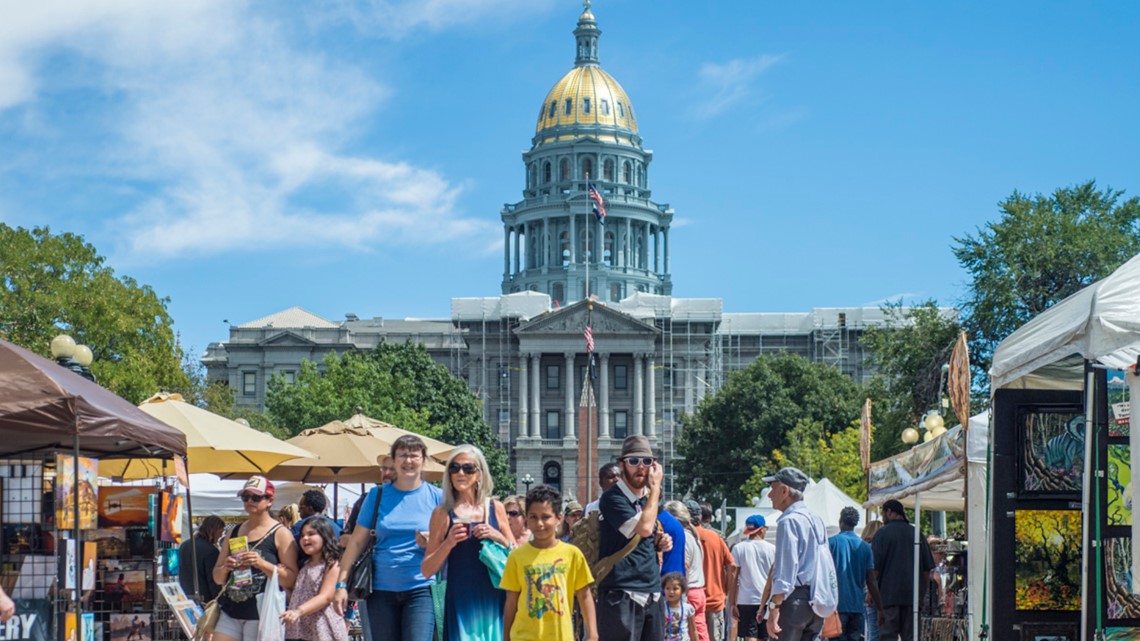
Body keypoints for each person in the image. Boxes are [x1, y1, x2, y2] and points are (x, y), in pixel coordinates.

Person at [336, 435, 443, 641]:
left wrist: (435, 541)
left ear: (423, 460)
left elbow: (450, 541)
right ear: (393, 461)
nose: (408, 461)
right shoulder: (376, 496)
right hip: (380, 589)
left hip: (421, 588)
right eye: (402, 455)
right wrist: (340, 585)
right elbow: (357, 542)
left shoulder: (437, 497)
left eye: (414, 455)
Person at [422, 444, 514, 641]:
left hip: (495, 597)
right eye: (454, 468)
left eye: (468, 468)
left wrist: (498, 536)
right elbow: (427, 569)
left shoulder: (495, 508)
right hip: (460, 599)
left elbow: (517, 555)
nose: (460, 473)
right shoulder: (442, 513)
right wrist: (449, 542)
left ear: (479, 475)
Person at [597, 435, 670, 641]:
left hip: (651, 589)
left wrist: (660, 542)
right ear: (622, 465)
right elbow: (644, 528)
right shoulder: (612, 498)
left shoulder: (648, 499)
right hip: (620, 592)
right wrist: (655, 489)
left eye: (647, 461)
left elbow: (647, 535)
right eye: (633, 461)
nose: (641, 467)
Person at [501, 485, 597, 641]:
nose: (539, 523)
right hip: (523, 636)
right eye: (533, 517)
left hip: (561, 635)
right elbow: (511, 601)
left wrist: (593, 634)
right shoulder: (516, 557)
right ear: (526, 519)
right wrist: (506, 637)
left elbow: (585, 595)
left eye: (545, 517)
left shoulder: (572, 554)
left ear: (558, 518)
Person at [212, 476, 299, 641]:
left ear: (269, 501)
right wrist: (226, 568)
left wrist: (261, 563)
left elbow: (291, 580)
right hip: (231, 610)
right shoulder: (234, 531)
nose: (249, 501)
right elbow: (217, 577)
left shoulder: (280, 533)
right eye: (245, 497)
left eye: (256, 497)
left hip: (262, 613)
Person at [763, 467, 834, 641]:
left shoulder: (788, 521)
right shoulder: (815, 519)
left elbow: (785, 569)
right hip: (816, 598)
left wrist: (774, 606)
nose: (769, 495)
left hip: (793, 600)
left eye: (772, 489)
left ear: (785, 490)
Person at [871, 501, 933, 641]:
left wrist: (871, 594)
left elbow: (874, 570)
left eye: (883, 514)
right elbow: (926, 571)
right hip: (912, 598)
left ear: (889, 512)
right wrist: (921, 595)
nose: (883, 518)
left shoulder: (881, 534)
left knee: (887, 637)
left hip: (887, 598)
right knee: (911, 637)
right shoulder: (917, 534)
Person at [281, 518, 348, 641]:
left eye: (311, 534)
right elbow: (297, 597)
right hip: (302, 629)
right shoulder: (304, 565)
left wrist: (299, 611)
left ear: (324, 536)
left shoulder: (332, 564)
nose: (305, 538)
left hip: (323, 628)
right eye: (302, 536)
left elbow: (326, 596)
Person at [828, 507, 881, 641]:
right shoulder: (865, 547)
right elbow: (871, 579)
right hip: (857, 606)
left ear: (841, 521)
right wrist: (880, 607)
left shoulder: (831, 543)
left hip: (836, 606)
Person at [664, 502, 707, 641]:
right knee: (700, 632)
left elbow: (685, 565)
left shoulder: (682, 536)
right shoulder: (694, 537)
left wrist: (681, 590)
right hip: (699, 590)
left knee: (684, 630)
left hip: (690, 590)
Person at [694, 502, 735, 641]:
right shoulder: (718, 536)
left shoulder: (685, 535)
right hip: (715, 597)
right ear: (710, 518)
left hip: (691, 598)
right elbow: (730, 565)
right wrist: (726, 592)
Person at [729, 515, 774, 641]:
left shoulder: (739, 548)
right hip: (766, 599)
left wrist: (732, 603)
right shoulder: (772, 549)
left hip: (745, 599)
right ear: (761, 529)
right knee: (764, 636)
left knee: (750, 635)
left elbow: (734, 577)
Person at [179, 515, 226, 603]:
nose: (220, 536)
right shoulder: (211, 551)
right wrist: (220, 601)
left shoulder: (184, 545)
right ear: (214, 530)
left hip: (185, 595)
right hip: (204, 599)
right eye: (220, 532)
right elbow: (213, 580)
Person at [860, 520, 883, 641]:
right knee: (874, 629)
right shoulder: (874, 547)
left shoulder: (861, 546)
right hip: (872, 590)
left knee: (868, 628)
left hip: (862, 589)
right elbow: (873, 572)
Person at [662, 573, 697, 641]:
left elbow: (693, 630)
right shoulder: (661, 608)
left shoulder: (688, 608)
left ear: (682, 590)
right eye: (667, 588)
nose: (671, 592)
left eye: (675, 589)